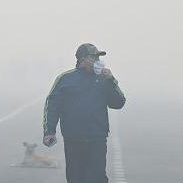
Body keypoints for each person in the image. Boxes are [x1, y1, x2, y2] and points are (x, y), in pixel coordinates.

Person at [43, 43, 126, 183]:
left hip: (97, 139)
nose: (98, 61)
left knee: (98, 178)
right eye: (94, 57)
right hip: (73, 139)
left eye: (99, 58)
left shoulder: (104, 79)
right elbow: (52, 105)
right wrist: (49, 131)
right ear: (82, 59)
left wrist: (111, 80)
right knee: (75, 178)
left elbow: (119, 103)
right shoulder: (65, 79)